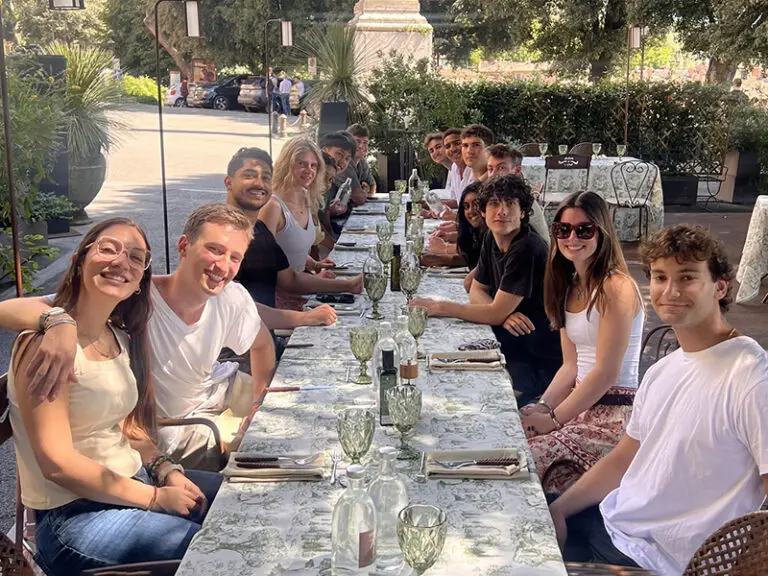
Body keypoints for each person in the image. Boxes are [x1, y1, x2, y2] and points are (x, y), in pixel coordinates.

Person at [6, 218, 222, 575]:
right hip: (74, 518)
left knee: (241, 500)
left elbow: (128, 427)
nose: (122, 262)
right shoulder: (45, 347)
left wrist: (166, 470)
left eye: (136, 258)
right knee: (213, 546)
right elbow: (56, 463)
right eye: (108, 248)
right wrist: (154, 499)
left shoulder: (117, 337)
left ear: (140, 282)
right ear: (79, 261)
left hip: (133, 483)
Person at [549, 224, 768, 574]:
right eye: (661, 277)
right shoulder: (663, 370)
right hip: (616, 525)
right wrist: (559, 510)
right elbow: (623, 460)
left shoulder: (750, 375)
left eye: (687, 277)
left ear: (720, 287)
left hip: (655, 560)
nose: (671, 291)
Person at [0, 205, 277, 471]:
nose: (223, 265)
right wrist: (57, 320)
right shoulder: (132, 294)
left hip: (218, 398)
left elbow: (263, 345)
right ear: (183, 247)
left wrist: (256, 407)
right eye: (214, 250)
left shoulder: (232, 297)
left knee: (288, 428)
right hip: (173, 431)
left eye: (235, 257)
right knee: (265, 462)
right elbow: (7, 309)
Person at [520, 191, 644, 493]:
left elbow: (606, 372)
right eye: (563, 229)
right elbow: (570, 366)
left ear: (601, 232)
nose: (571, 237)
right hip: (578, 405)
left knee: (521, 462)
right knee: (507, 435)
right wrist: (542, 405)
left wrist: (552, 419)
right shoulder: (569, 285)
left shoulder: (616, 287)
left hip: (614, 416)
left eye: (583, 229)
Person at [412, 174, 562, 405]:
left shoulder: (526, 247)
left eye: (510, 204)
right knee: (439, 350)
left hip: (536, 356)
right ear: (484, 211)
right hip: (512, 338)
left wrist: (440, 306)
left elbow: (492, 310)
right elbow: (474, 288)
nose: (501, 211)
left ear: (523, 212)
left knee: (451, 359)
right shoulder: (492, 238)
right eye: (494, 203)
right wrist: (502, 315)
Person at [224, 147, 362, 333]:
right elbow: (231, 305)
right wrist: (304, 317)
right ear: (228, 182)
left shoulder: (261, 233)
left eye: (266, 178)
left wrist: (345, 284)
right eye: (249, 175)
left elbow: (290, 279)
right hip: (233, 346)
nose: (259, 183)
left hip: (262, 333)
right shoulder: (219, 233)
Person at [485, 143, 550, 245]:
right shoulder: (493, 195)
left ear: (517, 171)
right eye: (490, 169)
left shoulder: (520, 200)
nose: (493, 174)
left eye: (501, 168)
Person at [321, 131, 363, 236]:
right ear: (324, 150)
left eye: (347, 158)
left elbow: (323, 214)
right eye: (339, 154)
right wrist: (333, 246)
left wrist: (330, 210)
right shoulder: (314, 178)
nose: (342, 162)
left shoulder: (330, 177)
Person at [347, 123, 377, 198]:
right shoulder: (344, 163)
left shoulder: (362, 162)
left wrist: (364, 193)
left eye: (365, 142)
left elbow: (373, 187)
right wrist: (363, 192)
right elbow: (358, 197)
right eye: (357, 141)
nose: (361, 146)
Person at [445, 127, 470, 206]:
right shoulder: (454, 167)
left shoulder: (474, 168)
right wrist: (430, 205)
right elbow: (457, 202)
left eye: (457, 143)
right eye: (448, 146)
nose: (452, 149)